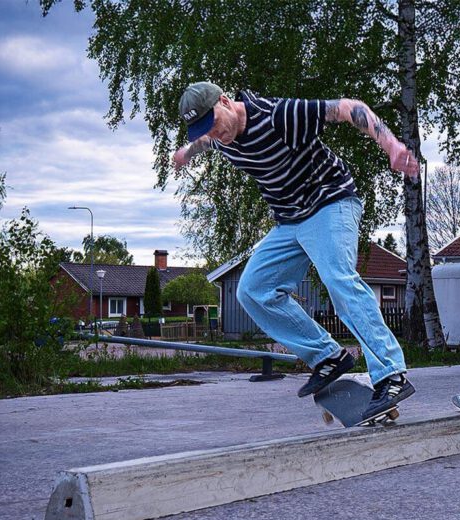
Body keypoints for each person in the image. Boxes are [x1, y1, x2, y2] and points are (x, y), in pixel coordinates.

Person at [173, 82, 418, 422]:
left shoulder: (279, 115)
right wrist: (184, 154)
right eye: (207, 130)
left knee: (338, 278)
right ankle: (327, 356)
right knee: (252, 290)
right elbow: (204, 141)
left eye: (215, 123)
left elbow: (348, 107)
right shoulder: (216, 135)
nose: (217, 134)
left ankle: (391, 374)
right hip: (290, 220)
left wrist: (391, 145)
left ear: (226, 102)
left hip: (330, 202)